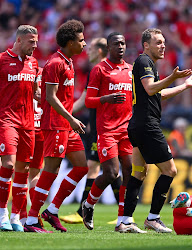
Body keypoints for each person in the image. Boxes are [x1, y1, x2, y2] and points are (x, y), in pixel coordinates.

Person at [117, 28, 192, 233]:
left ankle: (125, 220)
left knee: (138, 174)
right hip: (147, 125)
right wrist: (173, 78)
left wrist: (184, 86)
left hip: (137, 124)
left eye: (164, 41)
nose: (163, 45)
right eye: (158, 42)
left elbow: (158, 94)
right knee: (170, 170)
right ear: (146, 45)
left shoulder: (147, 65)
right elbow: (150, 89)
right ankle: (153, 218)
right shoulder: (144, 62)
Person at [24, 19, 88, 233]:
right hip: (55, 125)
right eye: (81, 40)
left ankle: (51, 210)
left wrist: (70, 120)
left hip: (67, 125)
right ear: (70, 43)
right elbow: (50, 97)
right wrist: (71, 118)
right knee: (50, 170)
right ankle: (32, 220)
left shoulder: (68, 62)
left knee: (82, 167)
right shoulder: (55, 64)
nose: (84, 43)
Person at [60, 37, 122, 224]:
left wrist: (63, 112)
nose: (87, 50)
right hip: (99, 125)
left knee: (101, 168)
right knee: (106, 169)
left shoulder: (102, 70)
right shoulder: (101, 69)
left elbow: (86, 99)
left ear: (101, 50)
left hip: (105, 128)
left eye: (92, 48)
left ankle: (84, 211)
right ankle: (124, 213)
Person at [81, 32, 133, 231]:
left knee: (128, 172)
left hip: (127, 129)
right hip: (107, 130)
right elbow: (88, 101)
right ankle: (88, 204)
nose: (120, 46)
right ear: (108, 47)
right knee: (111, 173)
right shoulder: (99, 70)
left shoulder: (131, 70)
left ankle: (123, 220)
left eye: (123, 43)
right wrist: (106, 98)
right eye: (116, 43)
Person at [0, 25, 39, 231]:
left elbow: (35, 92)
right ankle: (2, 213)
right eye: (31, 41)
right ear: (19, 41)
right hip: (6, 120)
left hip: (28, 123)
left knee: (23, 169)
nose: (35, 45)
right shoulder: (2, 60)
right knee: (8, 163)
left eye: (36, 41)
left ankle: (15, 217)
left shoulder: (33, 63)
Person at [11, 67, 44, 229]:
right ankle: (30, 215)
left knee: (20, 172)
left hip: (26, 128)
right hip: (39, 128)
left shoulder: (20, 76)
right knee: (32, 174)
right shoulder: (46, 74)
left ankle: (22, 215)